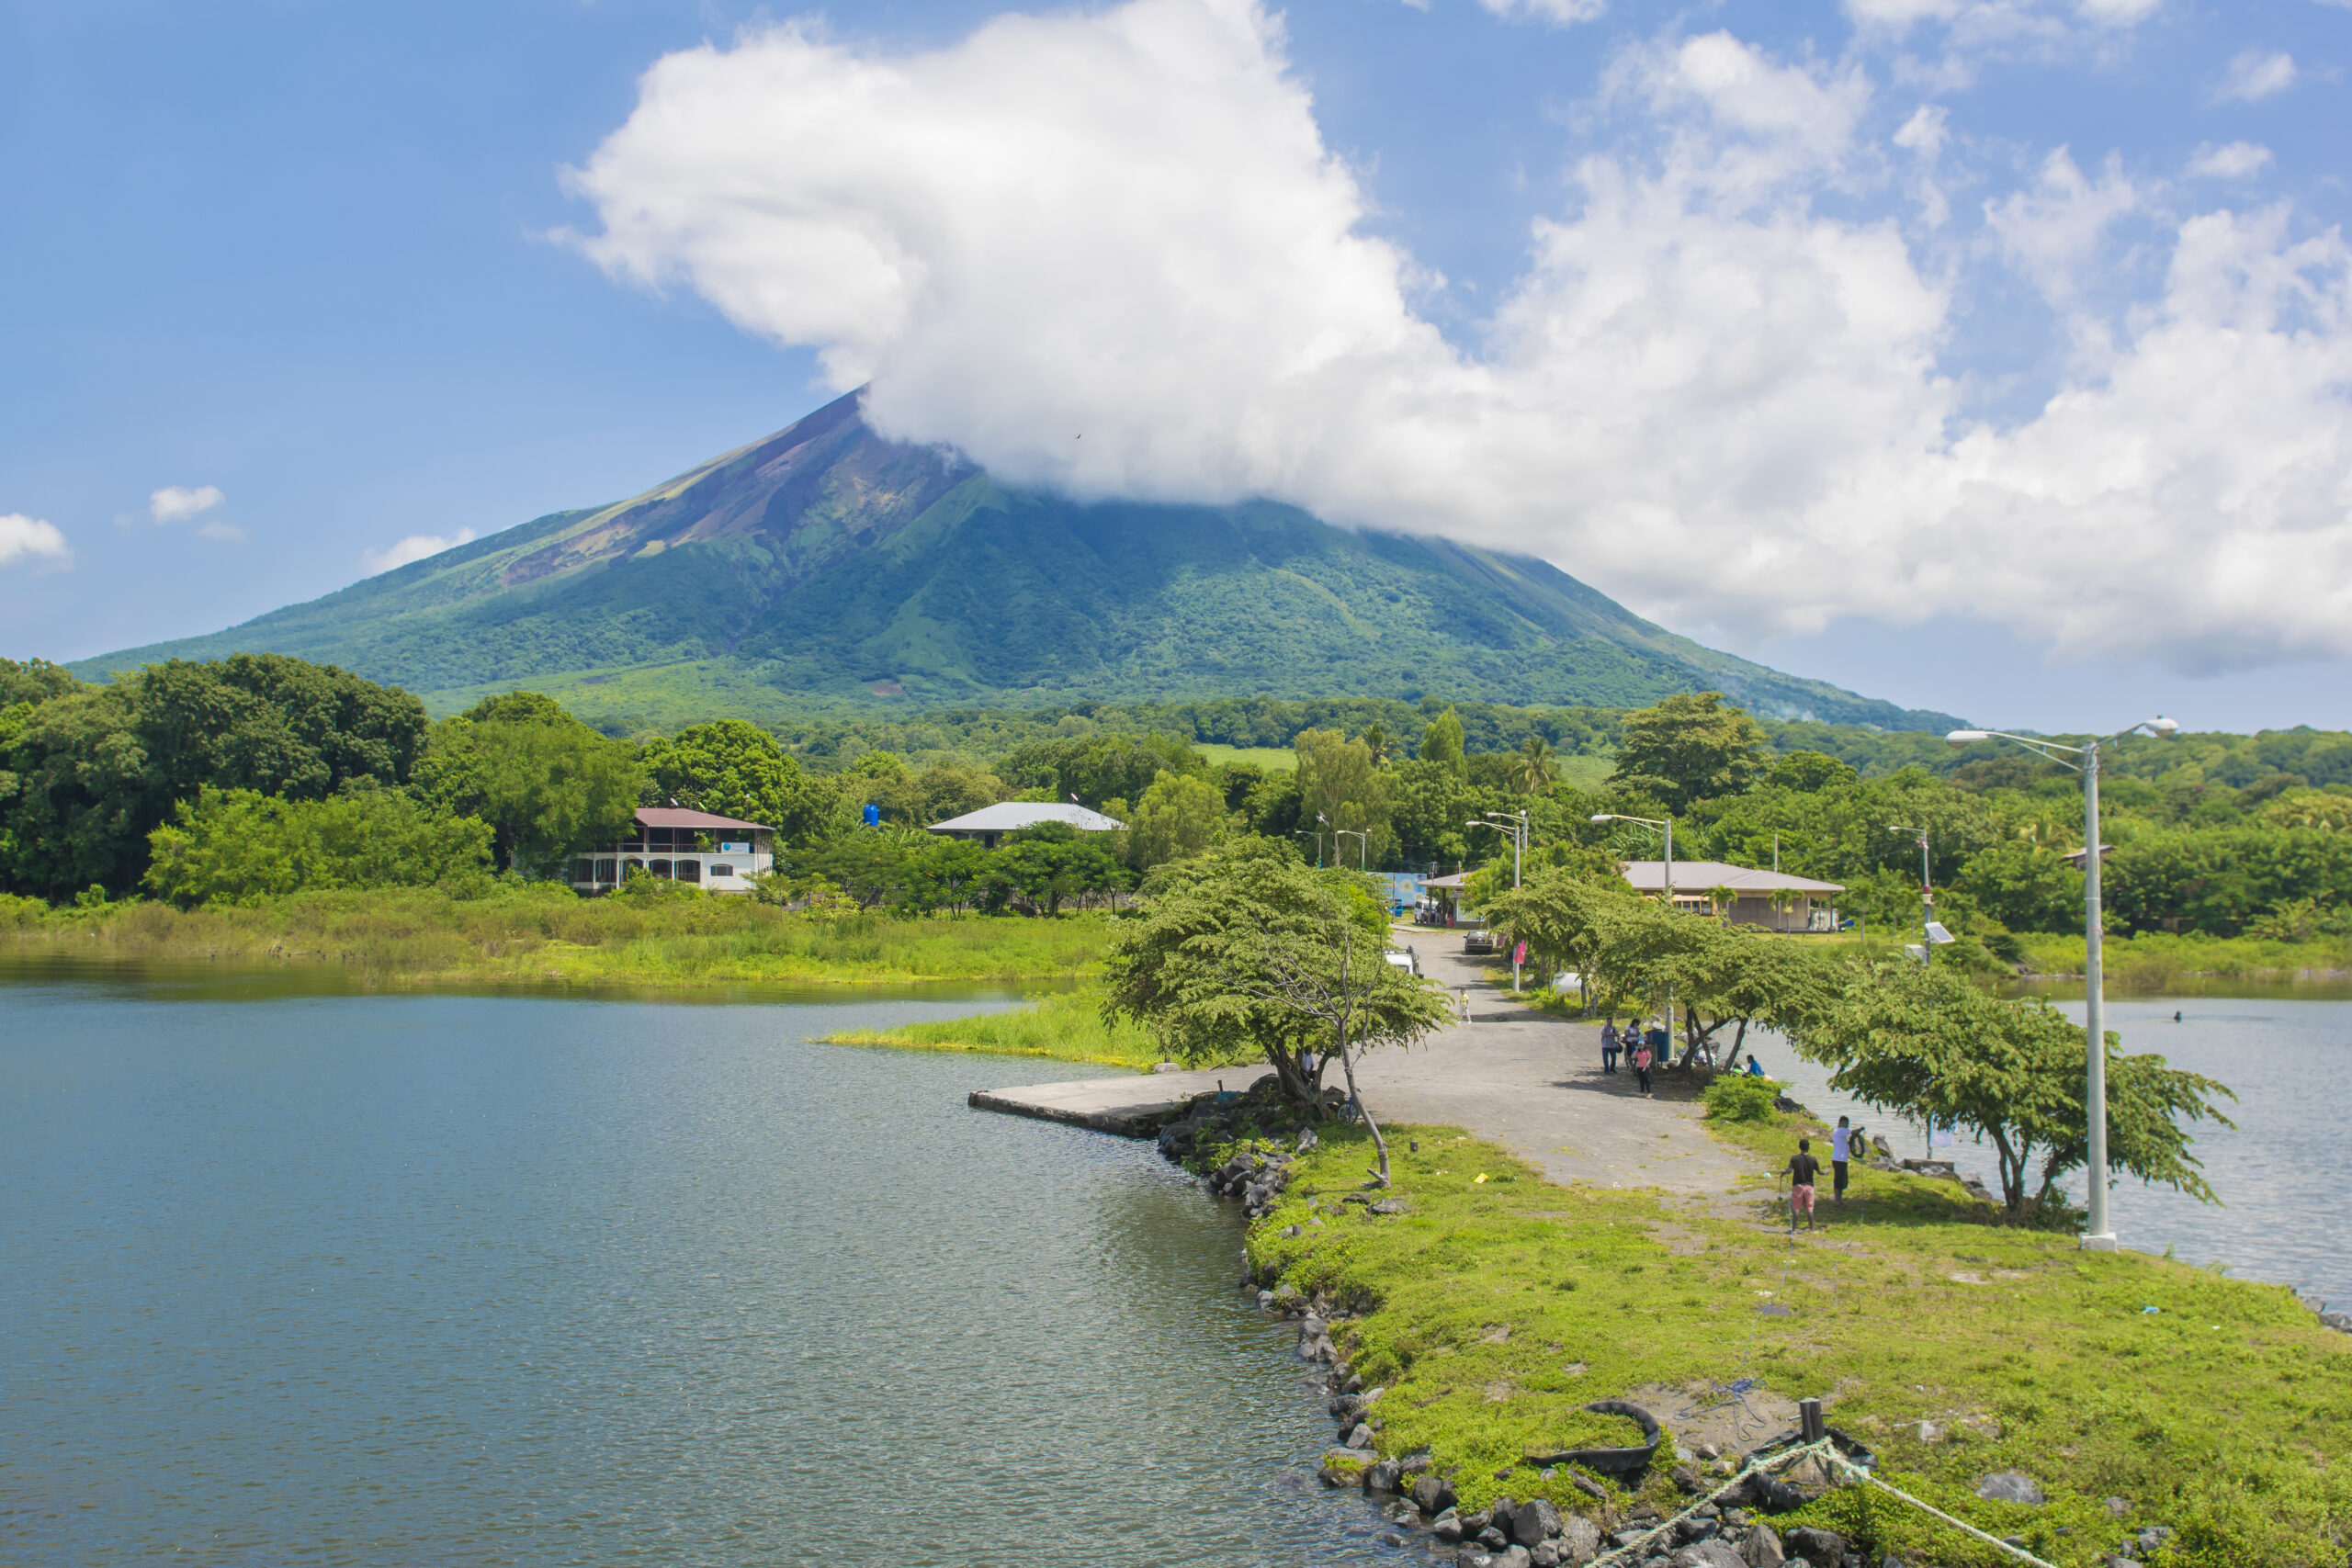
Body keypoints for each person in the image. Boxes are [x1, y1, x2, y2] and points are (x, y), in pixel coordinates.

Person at [1786, 1137, 1822, 1233]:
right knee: (1810, 1208)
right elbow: (1820, 1172)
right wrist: (1826, 1172)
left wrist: (1784, 1173)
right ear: (1808, 1147)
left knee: (1796, 1208)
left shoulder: (1794, 1158)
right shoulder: (1813, 1159)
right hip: (1809, 1187)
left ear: (1799, 1147)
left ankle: (1793, 1229)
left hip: (1798, 1186)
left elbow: (1789, 1171)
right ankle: (1811, 1228)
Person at [1830, 1116, 1852, 1203]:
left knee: (1843, 1179)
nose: (1847, 1126)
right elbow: (1853, 1132)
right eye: (1845, 1124)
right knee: (1838, 1179)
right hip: (1838, 1159)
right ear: (1841, 1123)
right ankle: (1837, 1199)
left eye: (1848, 1124)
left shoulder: (1842, 1134)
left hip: (1842, 1159)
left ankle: (1840, 1198)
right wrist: (1861, 1129)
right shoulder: (1839, 1131)